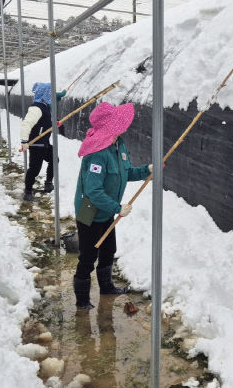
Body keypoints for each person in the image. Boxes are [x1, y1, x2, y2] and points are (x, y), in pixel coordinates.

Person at [72, 102, 152, 309]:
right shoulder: (98, 152)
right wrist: (117, 208)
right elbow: (93, 191)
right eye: (119, 121)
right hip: (90, 211)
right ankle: (82, 301)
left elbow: (126, 172)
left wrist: (146, 170)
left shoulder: (119, 144)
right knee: (88, 257)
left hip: (106, 210)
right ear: (110, 126)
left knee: (108, 250)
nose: (125, 125)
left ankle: (106, 286)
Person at [19, 83, 65, 201]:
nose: (51, 95)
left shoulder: (44, 106)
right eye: (49, 93)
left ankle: (48, 183)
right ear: (44, 94)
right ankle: (28, 192)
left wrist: (54, 123)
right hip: (36, 144)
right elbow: (26, 124)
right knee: (34, 169)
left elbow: (43, 123)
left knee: (54, 159)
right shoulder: (36, 108)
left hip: (44, 143)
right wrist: (24, 141)